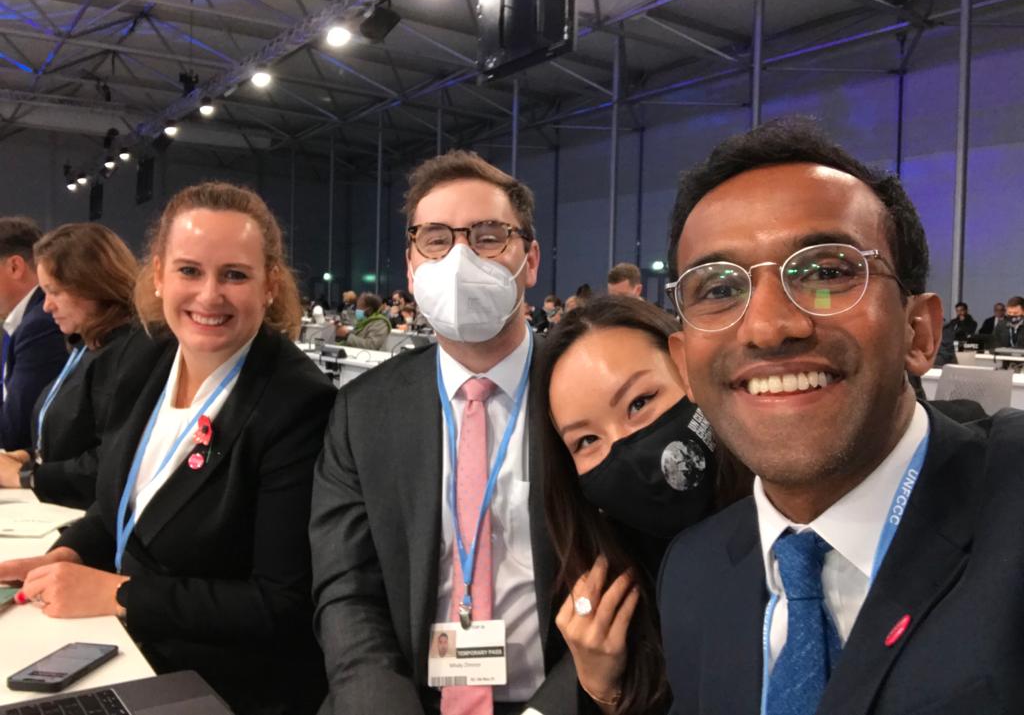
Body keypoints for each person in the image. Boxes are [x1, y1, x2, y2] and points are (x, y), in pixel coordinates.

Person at [658, 117, 1024, 714]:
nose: (769, 327)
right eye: (720, 289)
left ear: (919, 331)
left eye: (826, 273)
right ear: (685, 368)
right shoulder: (693, 576)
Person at [0, 182, 336, 715]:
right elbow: (119, 507)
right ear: (158, 275)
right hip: (124, 647)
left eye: (234, 274)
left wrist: (119, 593)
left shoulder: (297, 404)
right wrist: (64, 555)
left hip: (219, 682)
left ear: (270, 284)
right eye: (189, 271)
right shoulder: (147, 360)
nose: (209, 295)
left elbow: (280, 602)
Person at [311, 150, 577, 715]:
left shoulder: (586, 393)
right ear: (412, 268)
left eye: (488, 236)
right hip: (405, 697)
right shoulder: (363, 412)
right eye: (436, 239)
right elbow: (347, 589)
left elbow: (633, 577)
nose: (460, 258)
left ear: (530, 261)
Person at [539, 296, 750, 715]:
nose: (624, 447)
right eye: (587, 440)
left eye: (639, 403)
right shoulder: (612, 604)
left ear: (688, 370)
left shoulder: (799, 530)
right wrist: (602, 689)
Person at [0, 223, 138, 508]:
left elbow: (110, 462)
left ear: (92, 285)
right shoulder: (86, 346)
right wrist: (27, 456)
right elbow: (71, 438)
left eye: (54, 292)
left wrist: (26, 476)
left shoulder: (128, 352)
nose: (47, 305)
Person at [0, 217, 68, 451]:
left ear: (15, 267)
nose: (52, 304)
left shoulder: (40, 324)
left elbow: (15, 431)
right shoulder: (26, 322)